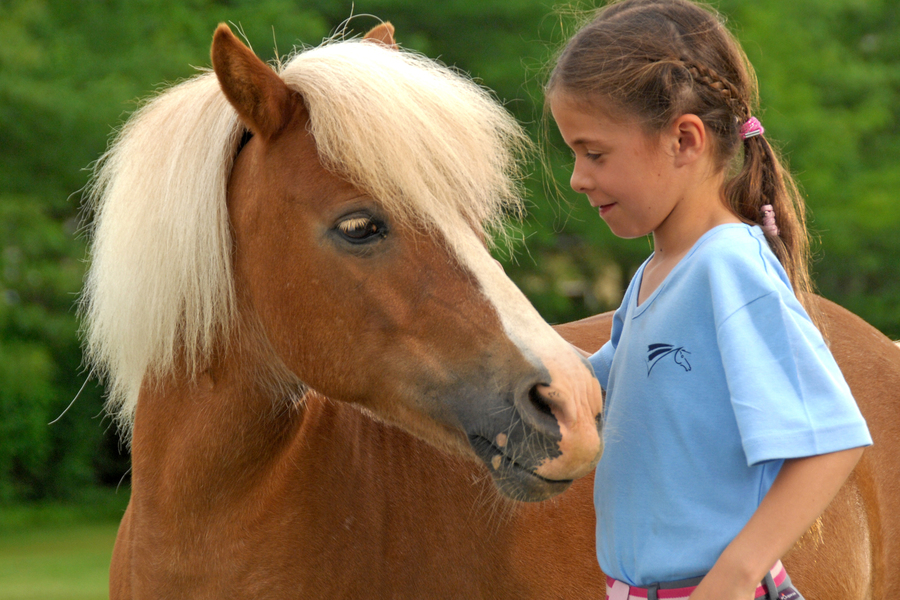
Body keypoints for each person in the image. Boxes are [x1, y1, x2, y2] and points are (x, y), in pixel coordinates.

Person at [545, 1, 873, 599]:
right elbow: (596, 393)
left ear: (684, 140)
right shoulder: (654, 274)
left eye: (594, 153)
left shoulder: (727, 266)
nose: (577, 177)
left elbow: (835, 439)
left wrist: (736, 574)